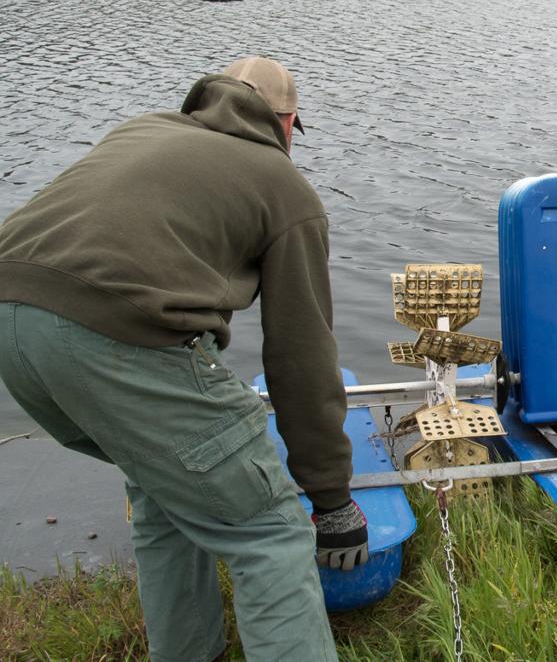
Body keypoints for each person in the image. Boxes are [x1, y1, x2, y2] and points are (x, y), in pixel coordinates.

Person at [0, 57, 367, 661]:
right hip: (113, 332)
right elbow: (301, 358)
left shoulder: (143, 129)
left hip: (15, 323)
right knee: (268, 529)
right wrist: (329, 499)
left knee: (167, 493)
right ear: (288, 122)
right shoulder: (284, 186)